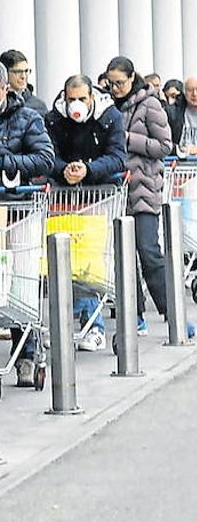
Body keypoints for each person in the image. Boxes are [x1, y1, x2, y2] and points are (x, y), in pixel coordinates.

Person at [0, 59, 54, 386]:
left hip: (18, 210)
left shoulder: (27, 118)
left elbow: (45, 159)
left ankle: (26, 355)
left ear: (5, 89)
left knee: (20, 286)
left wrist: (3, 162)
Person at [45, 74, 127, 352]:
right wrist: (63, 170)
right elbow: (48, 155)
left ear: (92, 97)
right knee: (66, 264)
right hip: (63, 199)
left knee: (90, 264)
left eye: (82, 98)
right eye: (71, 99)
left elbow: (118, 156)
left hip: (98, 197)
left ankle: (94, 326)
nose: (76, 104)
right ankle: (66, 324)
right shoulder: (53, 120)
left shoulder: (110, 117)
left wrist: (88, 170)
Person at [105, 56, 173, 334]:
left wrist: (129, 140)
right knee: (122, 257)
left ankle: (171, 311)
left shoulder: (151, 104)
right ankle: (135, 313)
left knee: (148, 252)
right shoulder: (107, 107)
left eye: (119, 83)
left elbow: (164, 145)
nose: (115, 88)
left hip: (144, 189)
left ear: (132, 78)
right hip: (117, 191)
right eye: (110, 83)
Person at [0, 49, 48, 114]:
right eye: (18, 72)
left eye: (26, 71)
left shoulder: (39, 106)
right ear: (5, 73)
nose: (23, 76)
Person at [170, 76, 197, 154]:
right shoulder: (172, 112)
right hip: (179, 162)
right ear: (184, 92)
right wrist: (179, 150)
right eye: (190, 90)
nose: (194, 94)